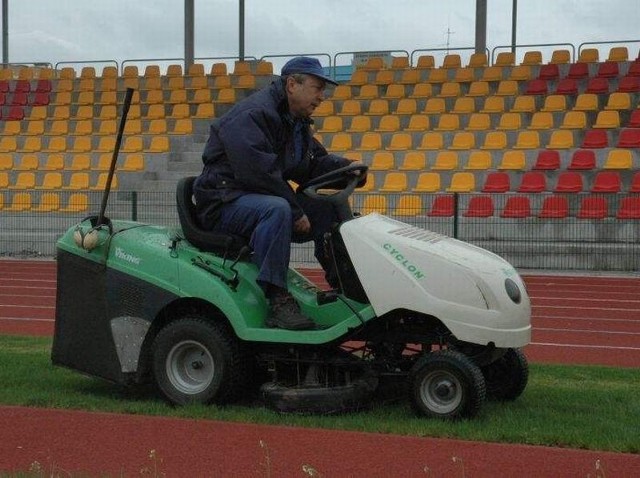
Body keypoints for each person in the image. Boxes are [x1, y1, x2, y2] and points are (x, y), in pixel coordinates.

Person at [193, 56, 365, 330]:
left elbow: (311, 165)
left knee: (326, 206)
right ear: (292, 84)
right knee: (278, 208)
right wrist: (296, 211)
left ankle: (347, 284)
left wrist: (346, 168)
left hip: (255, 198)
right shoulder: (253, 115)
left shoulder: (295, 122)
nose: (322, 97)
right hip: (223, 202)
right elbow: (257, 173)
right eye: (317, 88)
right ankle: (277, 300)